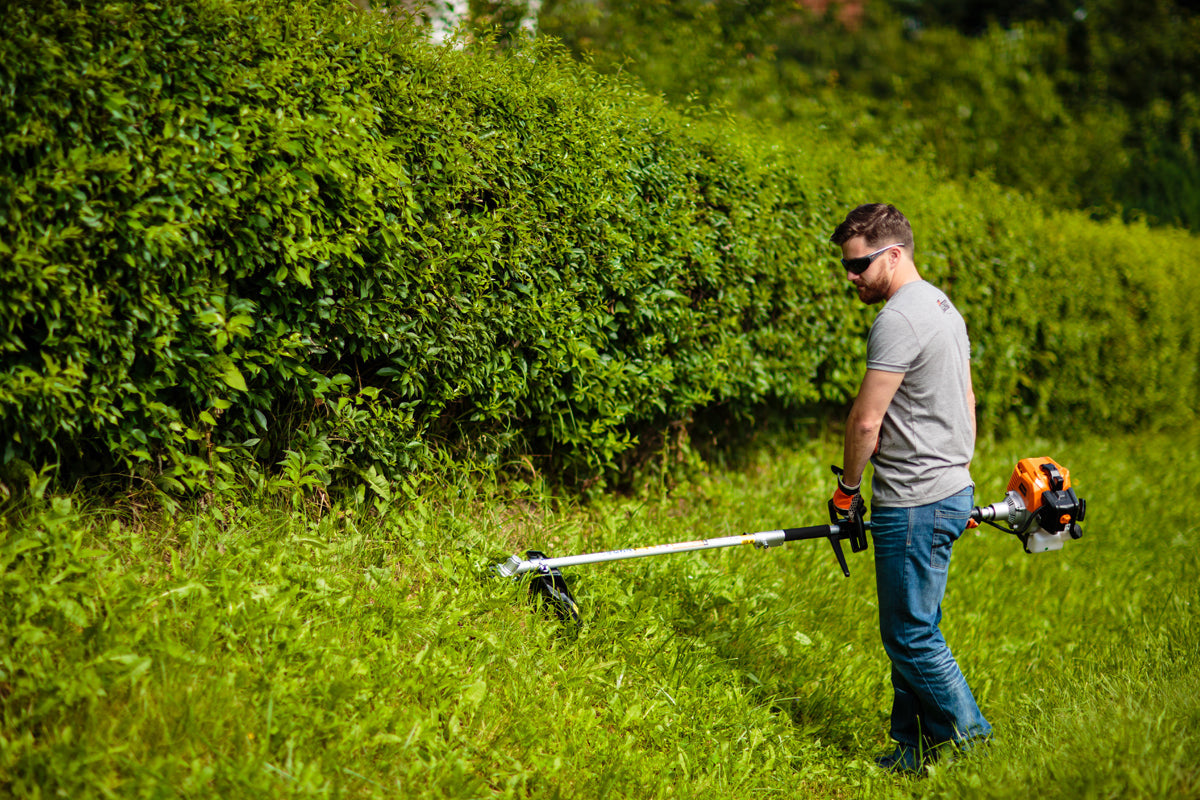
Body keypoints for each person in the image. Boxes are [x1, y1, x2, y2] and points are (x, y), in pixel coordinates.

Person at [827, 203, 991, 773]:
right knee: (915, 625)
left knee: (910, 636)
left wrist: (847, 492)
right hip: (948, 488)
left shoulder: (897, 319)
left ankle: (974, 743)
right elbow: (968, 401)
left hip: (916, 499)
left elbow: (866, 421)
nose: (852, 277)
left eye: (859, 265)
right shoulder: (943, 305)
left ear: (893, 255)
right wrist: (958, 478)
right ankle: (910, 748)